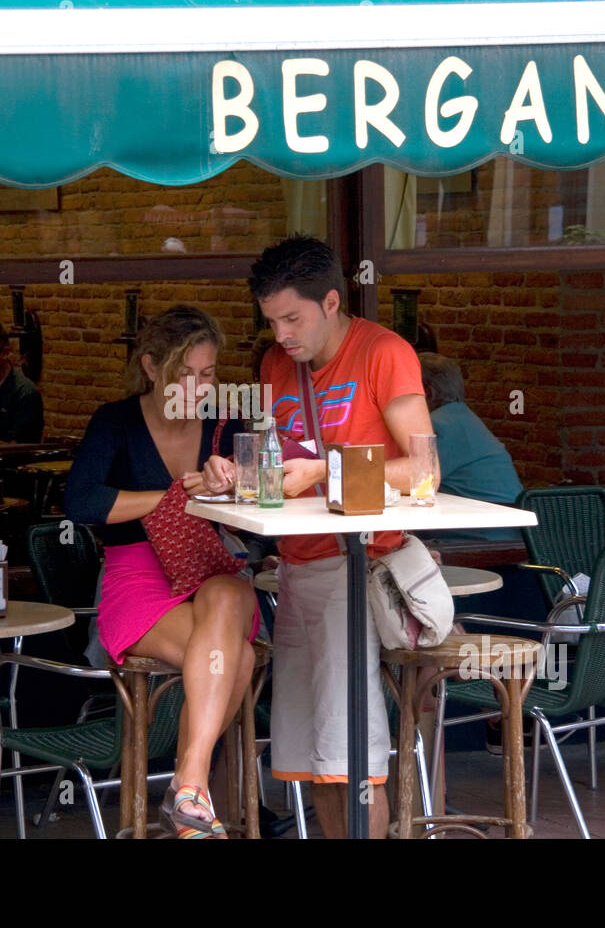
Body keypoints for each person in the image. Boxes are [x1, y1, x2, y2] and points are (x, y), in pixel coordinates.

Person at [203, 236, 431, 838]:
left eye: (291, 318)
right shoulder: (277, 366)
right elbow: (278, 459)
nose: (280, 333)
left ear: (332, 301)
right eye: (271, 320)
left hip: (356, 566)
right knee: (313, 762)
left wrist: (328, 469)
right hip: (295, 569)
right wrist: (234, 473)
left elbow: (424, 469)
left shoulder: (385, 353)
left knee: (351, 756)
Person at [65, 305, 258, 838]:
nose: (199, 386)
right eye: (185, 373)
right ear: (151, 367)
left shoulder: (226, 423)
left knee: (227, 594)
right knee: (235, 653)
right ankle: (191, 785)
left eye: (209, 373)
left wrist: (237, 479)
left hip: (210, 568)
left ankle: (187, 779)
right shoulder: (116, 421)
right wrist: (174, 495)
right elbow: (82, 502)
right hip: (137, 578)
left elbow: (261, 503)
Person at [417, 352, 523, 541]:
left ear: (428, 393)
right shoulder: (461, 418)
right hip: (505, 529)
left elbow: (416, 484)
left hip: (482, 534)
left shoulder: (438, 425)